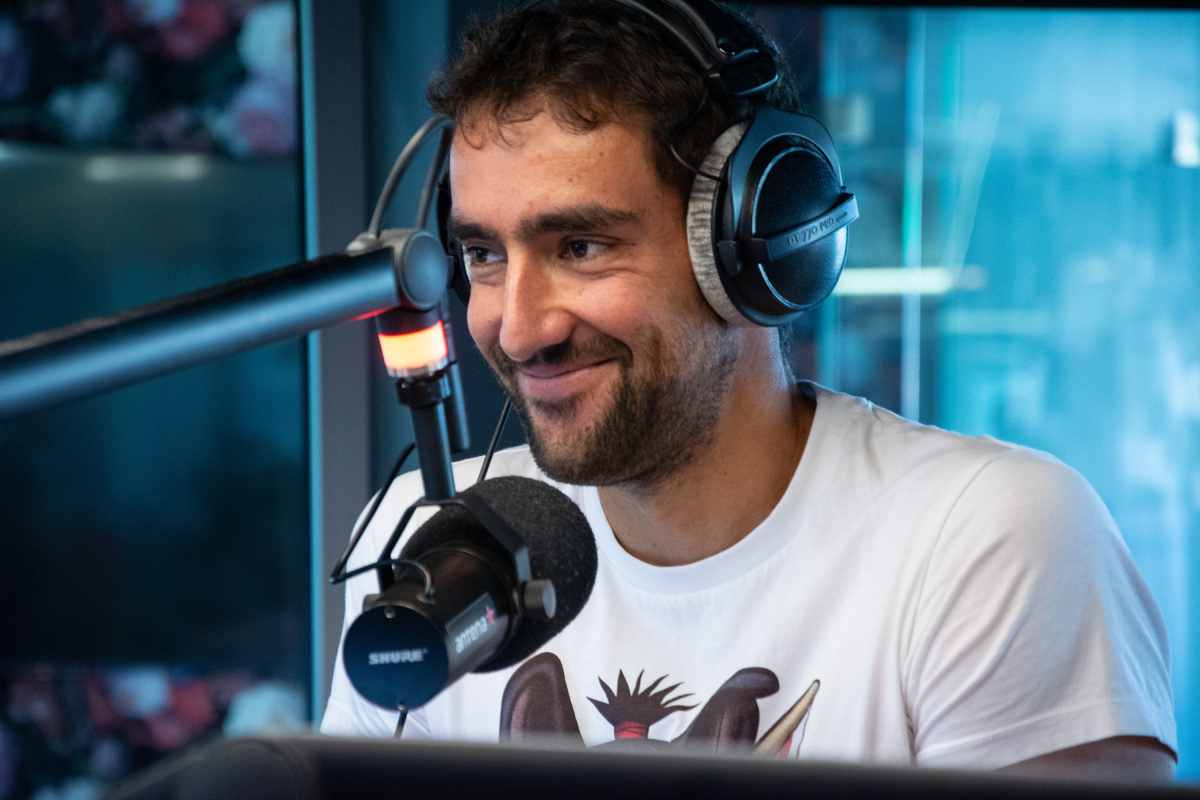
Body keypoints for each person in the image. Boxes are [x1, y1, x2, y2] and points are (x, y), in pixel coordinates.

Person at [322, 0, 1176, 780]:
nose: (518, 329)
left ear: (755, 244)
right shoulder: (436, 553)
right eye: (484, 255)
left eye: (581, 247)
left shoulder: (988, 540)